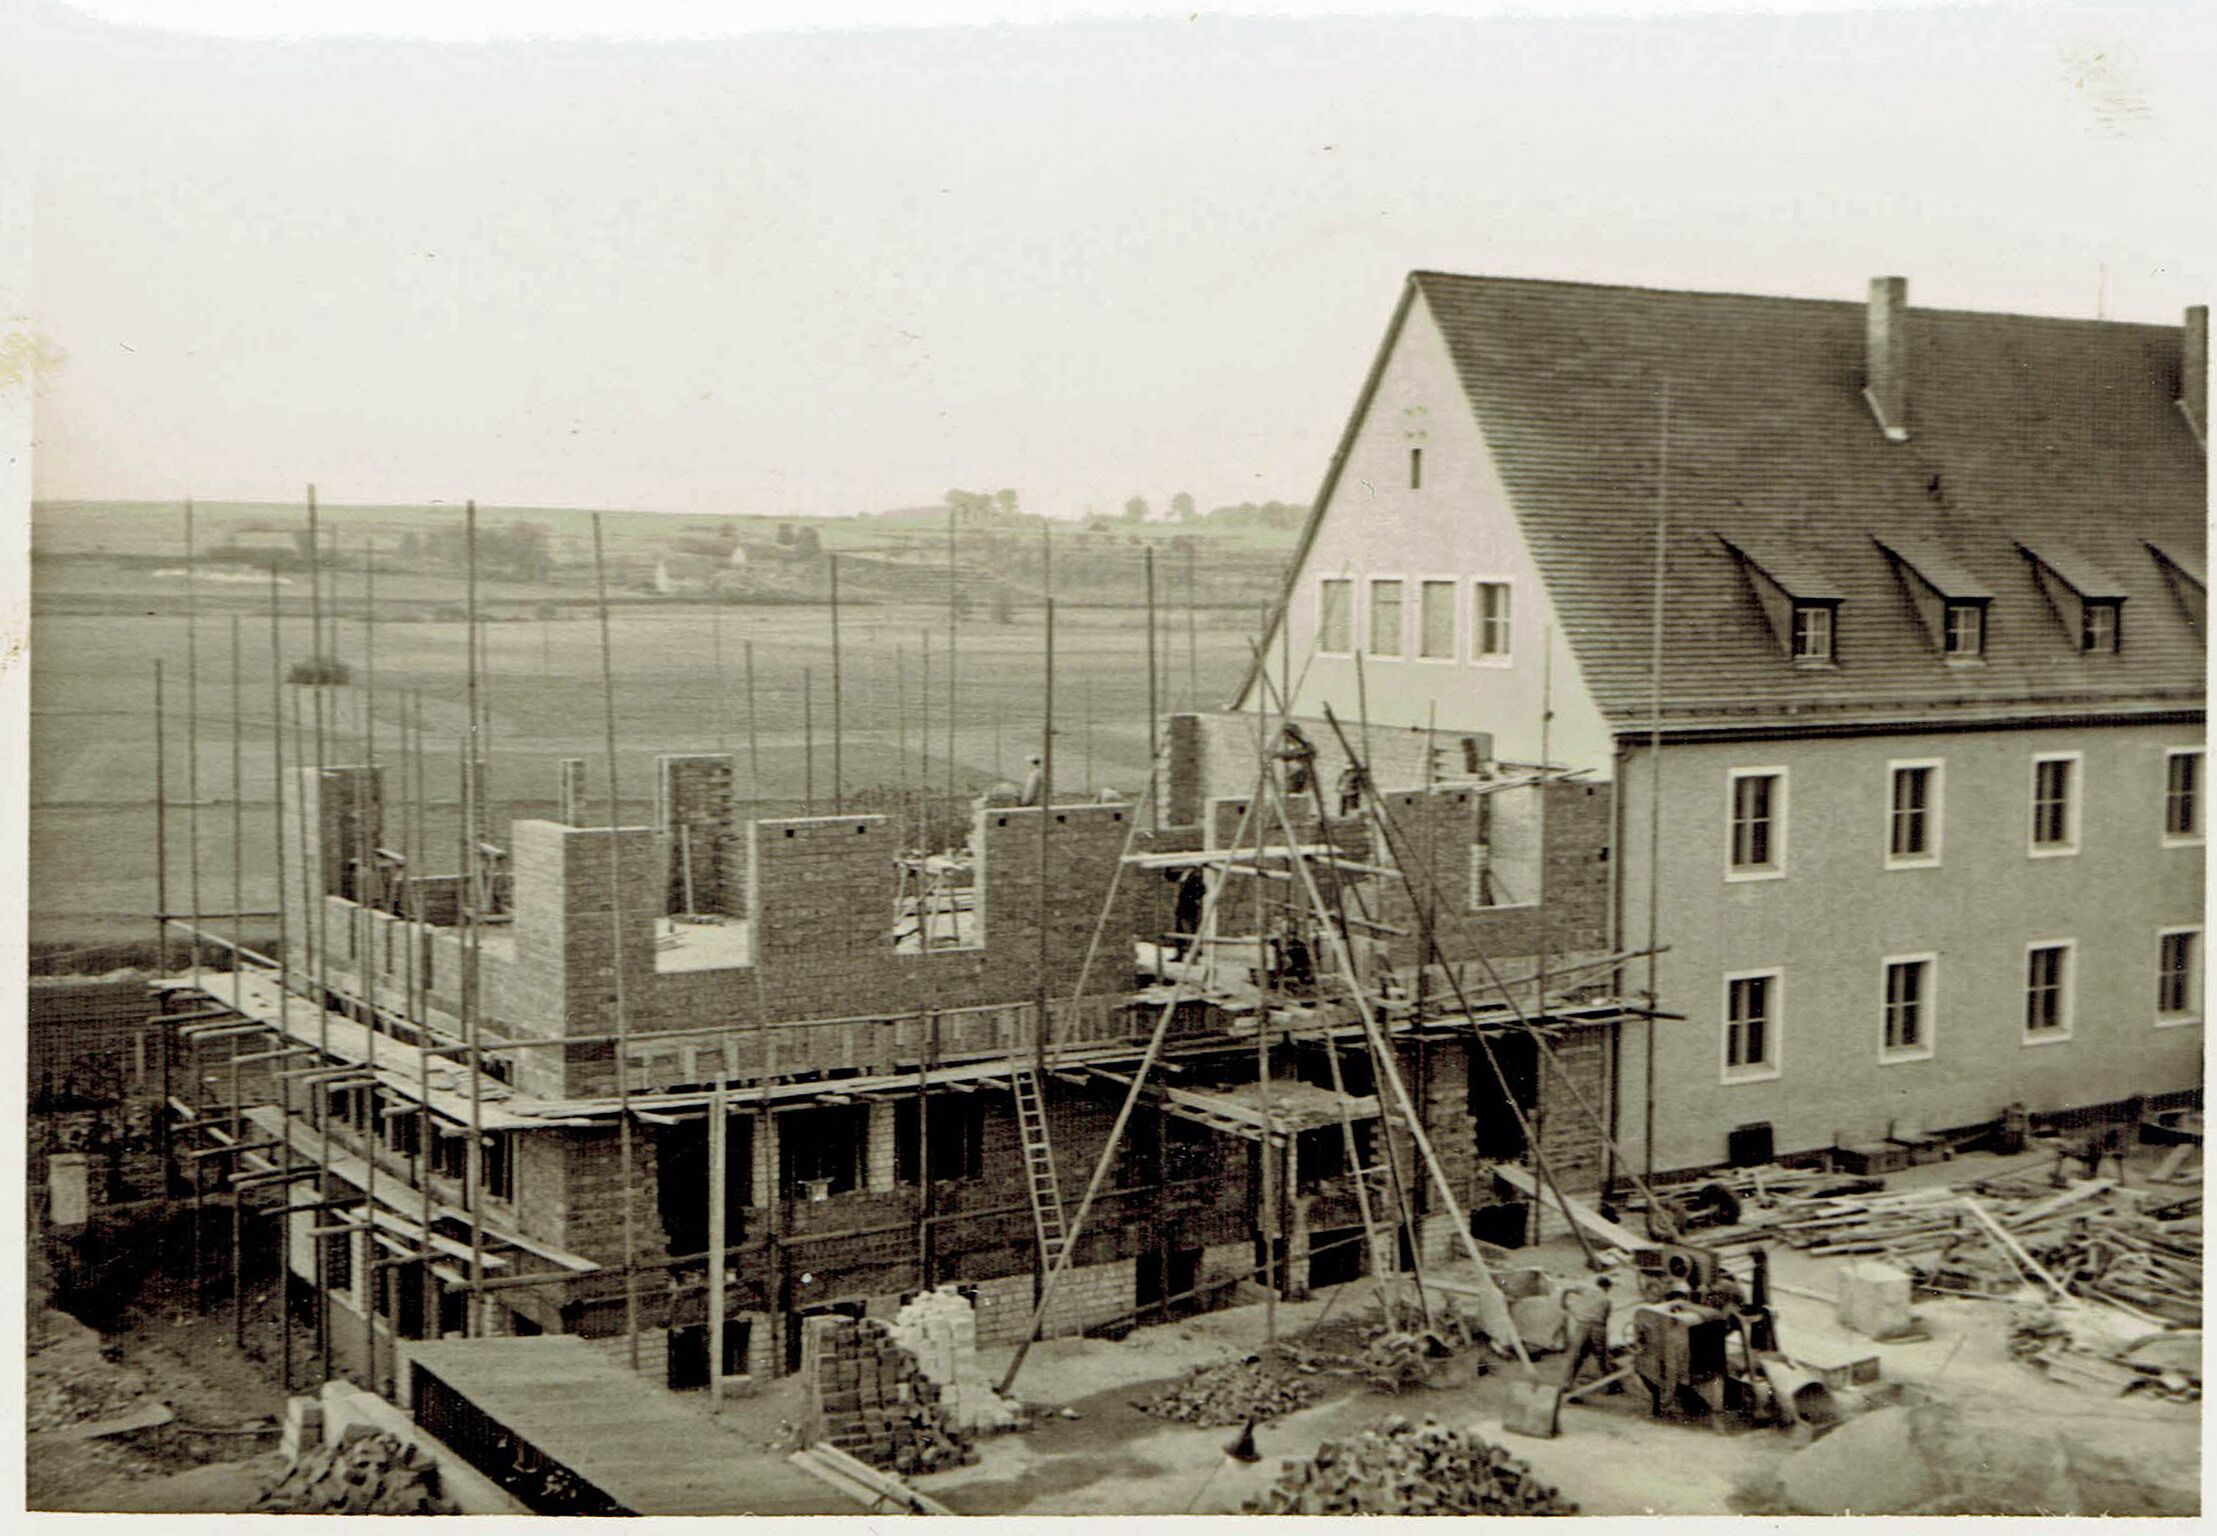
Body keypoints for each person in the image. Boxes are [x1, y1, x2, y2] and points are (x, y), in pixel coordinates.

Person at [1559, 1275, 1615, 1391]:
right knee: (1602, 1357)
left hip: (1583, 1325)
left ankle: (1567, 1384)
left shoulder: (1586, 1289)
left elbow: (1567, 1289)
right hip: (1597, 1328)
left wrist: (1563, 1303)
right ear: (1607, 1287)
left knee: (1575, 1356)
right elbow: (1605, 1319)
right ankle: (1611, 1384)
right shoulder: (1607, 1300)